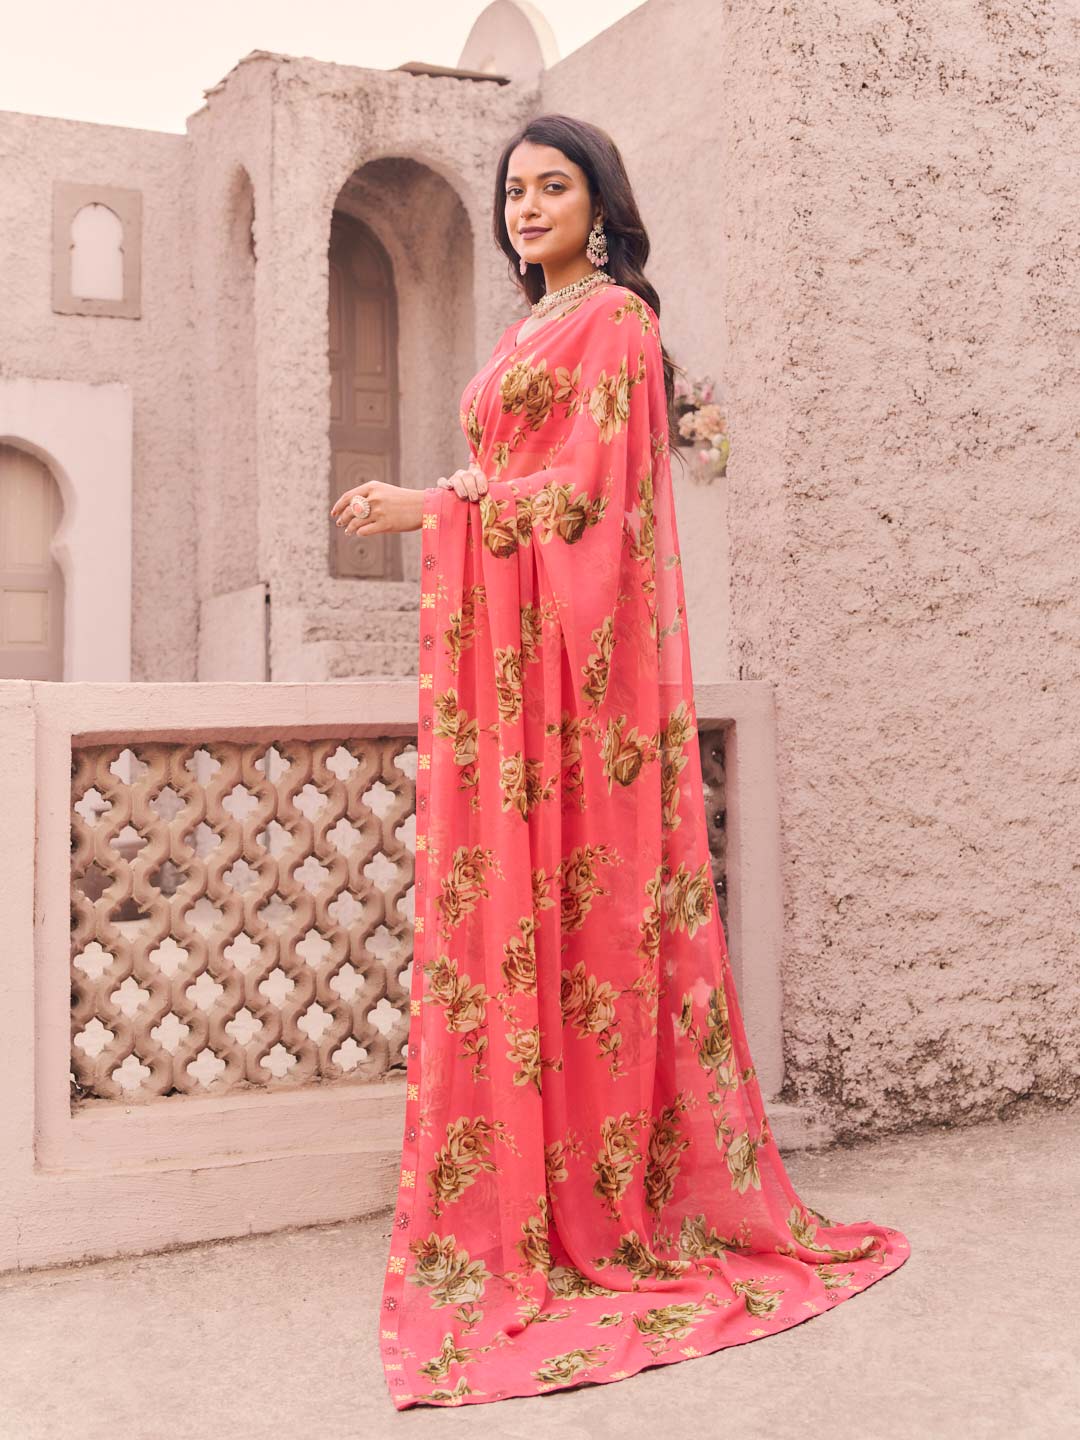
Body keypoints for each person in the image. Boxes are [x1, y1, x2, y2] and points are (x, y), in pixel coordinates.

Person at [332, 113, 911, 1411]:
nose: (530, 206)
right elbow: (518, 475)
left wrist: (432, 507)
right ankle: (528, 1193)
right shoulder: (527, 328)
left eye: (556, 187)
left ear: (602, 205)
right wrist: (450, 497)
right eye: (515, 190)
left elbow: (586, 498)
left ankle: (607, 1208)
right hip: (507, 663)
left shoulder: (617, 324)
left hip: (570, 675)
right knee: (508, 919)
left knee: (583, 923)